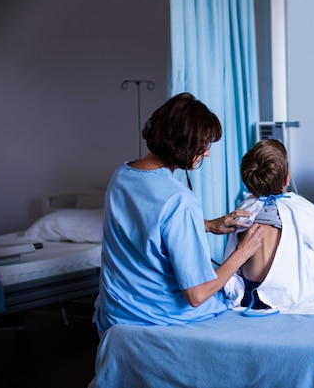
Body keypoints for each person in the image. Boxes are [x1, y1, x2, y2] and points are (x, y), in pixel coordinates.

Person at [93, 93, 263, 336]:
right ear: (184, 144)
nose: (207, 154)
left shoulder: (122, 176)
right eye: (204, 145)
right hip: (160, 319)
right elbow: (197, 294)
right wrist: (241, 253)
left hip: (117, 315)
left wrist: (206, 225)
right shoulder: (178, 199)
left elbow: (147, 226)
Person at [223, 139, 314, 311]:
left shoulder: (245, 206)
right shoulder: (298, 206)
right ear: (287, 178)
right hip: (287, 294)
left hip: (249, 293)